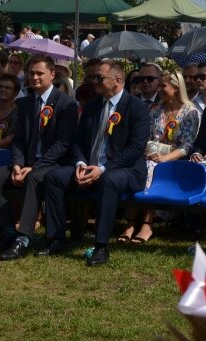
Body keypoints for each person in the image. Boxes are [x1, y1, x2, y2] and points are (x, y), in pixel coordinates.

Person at [41, 60, 149, 266]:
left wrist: (102, 168)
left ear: (117, 80)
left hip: (124, 170)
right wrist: (81, 163)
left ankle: (101, 246)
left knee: (108, 180)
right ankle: (56, 238)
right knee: (54, 177)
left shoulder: (137, 107)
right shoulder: (92, 106)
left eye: (99, 78)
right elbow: (77, 141)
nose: (94, 82)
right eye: (93, 78)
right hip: (89, 167)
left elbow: (136, 148)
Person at [0, 56, 79, 257]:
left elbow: (63, 143)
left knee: (34, 178)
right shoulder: (25, 103)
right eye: (31, 73)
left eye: (39, 73)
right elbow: (18, 140)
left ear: (52, 75)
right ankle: (8, 229)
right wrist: (18, 164)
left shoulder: (66, 104)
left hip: (53, 164)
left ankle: (23, 238)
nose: (34, 77)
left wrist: (35, 167)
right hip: (26, 162)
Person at [119, 71, 199, 244]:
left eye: (163, 86)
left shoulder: (190, 112)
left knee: (151, 168)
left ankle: (147, 223)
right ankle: (131, 222)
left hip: (174, 158)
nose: (159, 89)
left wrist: (164, 158)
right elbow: (146, 136)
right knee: (138, 166)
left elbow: (186, 146)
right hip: (150, 153)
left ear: (176, 88)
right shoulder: (155, 109)